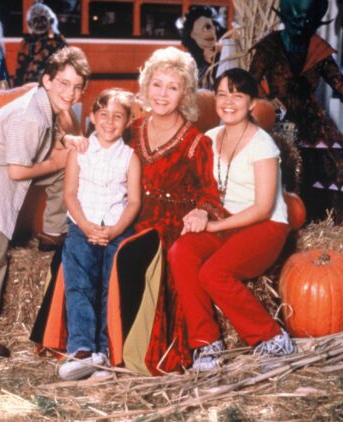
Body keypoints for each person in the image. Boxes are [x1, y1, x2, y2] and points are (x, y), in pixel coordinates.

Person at [0, 46, 90, 358]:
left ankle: (54, 232)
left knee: (65, 167)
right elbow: (17, 171)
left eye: (77, 87)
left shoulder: (48, 106)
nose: (70, 94)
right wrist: (60, 160)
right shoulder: (29, 116)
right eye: (63, 84)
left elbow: (47, 139)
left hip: (7, 169)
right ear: (47, 80)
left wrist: (66, 143)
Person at [168, 68, 296, 372]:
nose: (228, 102)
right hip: (225, 220)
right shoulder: (210, 139)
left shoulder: (263, 145)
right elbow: (203, 190)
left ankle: (274, 340)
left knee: (213, 273)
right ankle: (206, 343)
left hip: (264, 225)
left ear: (252, 103)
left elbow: (264, 207)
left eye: (237, 95)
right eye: (222, 94)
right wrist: (201, 210)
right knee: (180, 252)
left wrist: (213, 225)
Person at [118, 47, 225, 375]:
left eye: (173, 87)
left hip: (171, 227)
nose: (162, 94)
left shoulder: (196, 142)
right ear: (146, 85)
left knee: (163, 259)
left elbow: (210, 196)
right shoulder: (130, 131)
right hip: (133, 217)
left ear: (186, 94)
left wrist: (202, 213)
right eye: (157, 84)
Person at [249, 0, 343, 224]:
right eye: (296, 18)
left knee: (321, 166)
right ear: (285, 15)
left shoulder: (319, 48)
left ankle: (316, 223)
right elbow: (251, 82)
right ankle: (279, 223)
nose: (302, 24)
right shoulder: (269, 46)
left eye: (308, 19)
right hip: (275, 117)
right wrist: (270, 103)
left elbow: (340, 84)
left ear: (317, 19)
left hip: (310, 120)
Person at [58, 89, 141, 380]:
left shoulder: (130, 157)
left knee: (110, 287)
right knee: (80, 285)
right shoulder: (79, 152)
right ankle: (81, 348)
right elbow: (69, 194)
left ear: (128, 121)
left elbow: (133, 201)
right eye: (103, 115)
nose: (109, 122)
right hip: (83, 226)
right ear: (92, 117)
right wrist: (85, 225)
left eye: (117, 116)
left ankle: (103, 353)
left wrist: (115, 230)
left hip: (116, 229)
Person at [15, 3, 67, 87]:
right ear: (30, 23)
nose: (39, 23)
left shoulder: (58, 41)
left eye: (43, 19)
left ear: (50, 21)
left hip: (50, 87)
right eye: (36, 20)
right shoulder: (26, 42)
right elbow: (19, 71)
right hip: (28, 88)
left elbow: (64, 68)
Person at [176, 6, 226, 90]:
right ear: (192, 35)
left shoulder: (223, 57)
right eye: (205, 28)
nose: (211, 31)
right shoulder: (187, 64)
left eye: (212, 26)